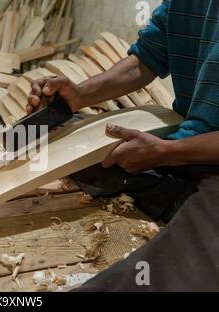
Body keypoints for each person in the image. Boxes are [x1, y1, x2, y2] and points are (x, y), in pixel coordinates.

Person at [27, 0, 219, 291]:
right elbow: (146, 58)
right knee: (69, 142)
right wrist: (79, 95)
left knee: (186, 263)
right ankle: (174, 192)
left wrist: (166, 153)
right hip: (181, 143)